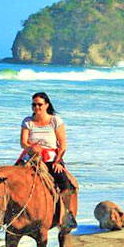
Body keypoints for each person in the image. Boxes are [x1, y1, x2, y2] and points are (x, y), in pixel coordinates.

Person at [18, 92, 77, 229]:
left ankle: (67, 215)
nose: (36, 107)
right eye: (34, 104)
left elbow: (63, 145)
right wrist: (31, 147)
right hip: (31, 158)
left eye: (39, 104)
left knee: (66, 185)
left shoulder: (55, 120)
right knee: (8, 181)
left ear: (47, 105)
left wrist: (57, 162)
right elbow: (23, 143)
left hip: (51, 158)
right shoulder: (27, 121)